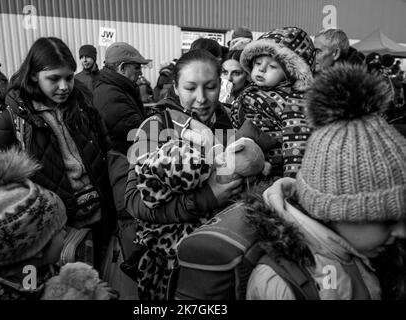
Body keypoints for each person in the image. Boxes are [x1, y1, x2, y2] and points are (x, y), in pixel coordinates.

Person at [246, 63, 406, 300]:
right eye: (386, 218)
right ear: (332, 210)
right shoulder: (282, 286)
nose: (402, 231)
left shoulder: (384, 254)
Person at [0, 37, 117, 271]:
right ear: (33, 76)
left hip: (100, 218)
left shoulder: (84, 105)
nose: (64, 86)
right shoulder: (12, 119)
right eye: (54, 79)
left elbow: (107, 150)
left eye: (69, 77)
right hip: (56, 233)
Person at [125, 50, 243, 300]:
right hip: (167, 270)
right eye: (190, 88)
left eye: (210, 87)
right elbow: (134, 203)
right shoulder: (156, 126)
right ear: (176, 88)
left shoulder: (227, 125)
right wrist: (205, 199)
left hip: (217, 262)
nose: (201, 98)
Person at [0, 147, 67, 299]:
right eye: (58, 230)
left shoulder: (29, 269)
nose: (65, 233)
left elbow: (31, 283)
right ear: (37, 249)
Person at [231, 26, 315, 181]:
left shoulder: (295, 100)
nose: (261, 70)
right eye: (257, 63)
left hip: (274, 172)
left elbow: (297, 139)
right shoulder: (250, 90)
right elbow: (234, 123)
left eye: (273, 66)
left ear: (290, 73)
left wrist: (291, 181)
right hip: (244, 163)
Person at [93, 42, 150, 155]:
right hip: (125, 161)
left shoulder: (117, 89)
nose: (140, 72)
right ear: (122, 67)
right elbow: (140, 131)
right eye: (137, 68)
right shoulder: (111, 96)